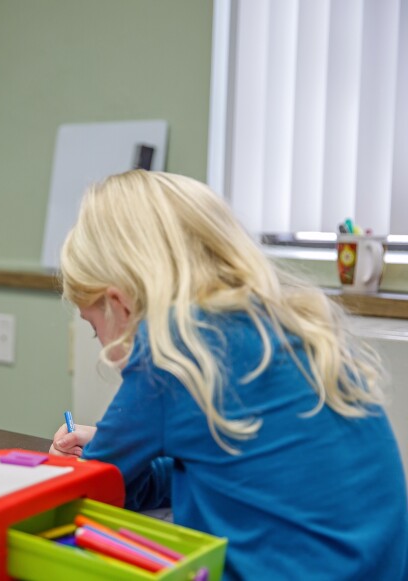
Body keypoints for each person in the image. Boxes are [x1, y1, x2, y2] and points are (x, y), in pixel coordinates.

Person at [49, 169, 407, 579]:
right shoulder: (282, 323)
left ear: (120, 304)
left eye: (95, 328)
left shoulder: (170, 354)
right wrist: (129, 456)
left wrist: (68, 465)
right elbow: (213, 470)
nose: (102, 347)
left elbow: (86, 491)